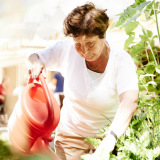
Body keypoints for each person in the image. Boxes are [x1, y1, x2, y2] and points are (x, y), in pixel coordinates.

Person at [26, 2, 138, 160]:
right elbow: (34, 57)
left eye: (90, 43)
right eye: (78, 44)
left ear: (104, 35)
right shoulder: (67, 50)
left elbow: (130, 101)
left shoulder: (120, 60)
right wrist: (36, 63)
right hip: (72, 133)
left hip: (110, 132)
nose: (84, 51)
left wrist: (110, 138)